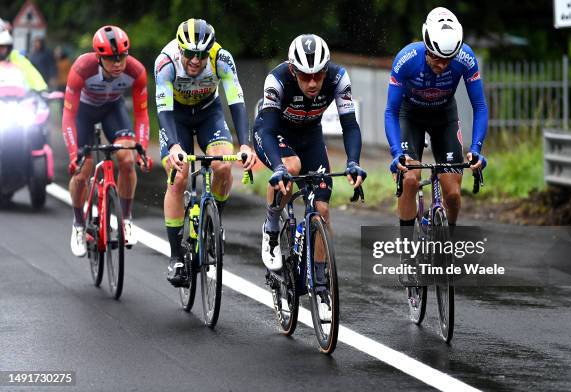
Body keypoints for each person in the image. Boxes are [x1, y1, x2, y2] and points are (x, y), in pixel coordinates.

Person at [154, 18, 255, 286]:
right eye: (189, 54)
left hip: (209, 112)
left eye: (201, 54)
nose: (196, 61)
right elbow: (163, 110)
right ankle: (176, 256)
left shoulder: (221, 58)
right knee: (179, 174)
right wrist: (174, 145)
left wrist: (245, 143)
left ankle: (212, 222)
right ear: (180, 49)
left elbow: (236, 101)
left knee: (223, 165)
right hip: (176, 116)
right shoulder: (165, 62)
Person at [253, 34, 366, 273]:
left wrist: (353, 161)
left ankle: (321, 285)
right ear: (294, 71)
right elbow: (269, 130)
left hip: (310, 136)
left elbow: (350, 125)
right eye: (306, 76)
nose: (313, 83)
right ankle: (271, 228)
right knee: (290, 166)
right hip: (273, 134)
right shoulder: (277, 79)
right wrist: (279, 167)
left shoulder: (338, 77)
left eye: (318, 75)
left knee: (322, 210)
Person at [384, 7, 488, 231]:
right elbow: (391, 111)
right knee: (410, 179)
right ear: (426, 46)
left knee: (452, 194)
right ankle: (407, 251)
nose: (442, 65)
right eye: (436, 58)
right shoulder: (406, 59)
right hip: (409, 115)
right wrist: (395, 153)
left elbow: (479, 106)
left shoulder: (466, 57)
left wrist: (477, 147)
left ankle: (447, 240)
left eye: (448, 60)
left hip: (444, 116)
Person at [62, 25, 150, 257]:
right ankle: (79, 225)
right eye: (111, 58)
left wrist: (141, 148)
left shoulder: (137, 71)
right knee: (83, 170)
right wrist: (74, 155)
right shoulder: (82, 68)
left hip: (112, 110)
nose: (118, 63)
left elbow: (141, 115)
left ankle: (126, 220)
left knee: (127, 159)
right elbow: (68, 116)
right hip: (83, 113)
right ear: (99, 57)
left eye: (122, 56)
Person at [0, 19, 47, 92]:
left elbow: (36, 80)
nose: (3, 50)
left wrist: (43, 92)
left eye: (4, 46)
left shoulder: (16, 57)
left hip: (15, 101)